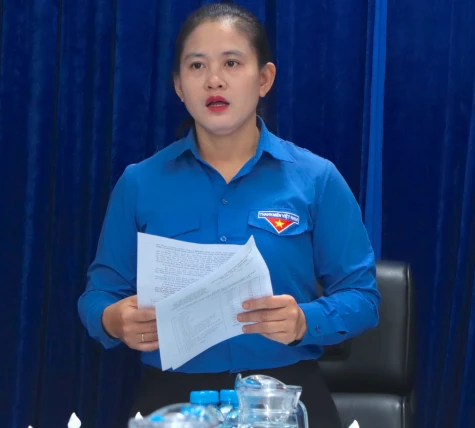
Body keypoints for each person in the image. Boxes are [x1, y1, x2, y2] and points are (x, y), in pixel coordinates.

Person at [78, 3, 381, 427]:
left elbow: (363, 298)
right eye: (197, 65)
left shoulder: (316, 179)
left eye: (232, 63)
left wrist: (303, 321)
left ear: (264, 79)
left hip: (283, 395)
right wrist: (114, 320)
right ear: (179, 86)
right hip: (174, 398)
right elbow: (98, 296)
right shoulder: (140, 182)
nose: (214, 80)